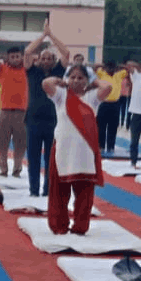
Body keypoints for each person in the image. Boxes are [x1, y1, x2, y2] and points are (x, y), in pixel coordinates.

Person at [42, 66, 112, 234]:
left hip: (85, 152)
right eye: (72, 77)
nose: (76, 80)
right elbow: (46, 83)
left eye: (80, 78)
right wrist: (61, 81)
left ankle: (80, 227)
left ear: (87, 80)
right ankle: (59, 225)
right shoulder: (61, 95)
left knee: (84, 192)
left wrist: (94, 81)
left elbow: (108, 87)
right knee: (59, 190)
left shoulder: (92, 97)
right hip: (63, 150)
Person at [24, 19, 70, 197]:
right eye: (43, 58)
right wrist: (43, 36)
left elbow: (66, 53)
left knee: (51, 159)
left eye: (49, 58)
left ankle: (48, 191)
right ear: (38, 60)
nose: (46, 60)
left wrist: (52, 36)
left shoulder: (58, 72)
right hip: (33, 120)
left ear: (53, 61)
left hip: (53, 121)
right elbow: (28, 52)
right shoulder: (32, 71)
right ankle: (33, 190)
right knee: (33, 158)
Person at [0, 46, 28, 177]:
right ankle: (3, 169)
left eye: (17, 56)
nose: (15, 59)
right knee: (3, 141)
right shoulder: (2, 68)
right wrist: (1, 58)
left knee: (20, 142)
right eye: (12, 57)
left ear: (22, 57)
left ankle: (17, 169)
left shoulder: (26, 69)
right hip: (5, 110)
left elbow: (33, 56)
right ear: (8, 58)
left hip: (22, 111)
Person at [94, 60, 128, 155]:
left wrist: (119, 65)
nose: (110, 70)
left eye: (112, 68)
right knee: (101, 127)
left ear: (115, 68)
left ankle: (111, 147)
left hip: (115, 104)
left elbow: (128, 69)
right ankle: (101, 146)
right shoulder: (102, 74)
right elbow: (95, 67)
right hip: (103, 104)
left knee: (113, 127)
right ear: (106, 68)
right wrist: (103, 65)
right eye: (109, 68)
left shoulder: (119, 75)